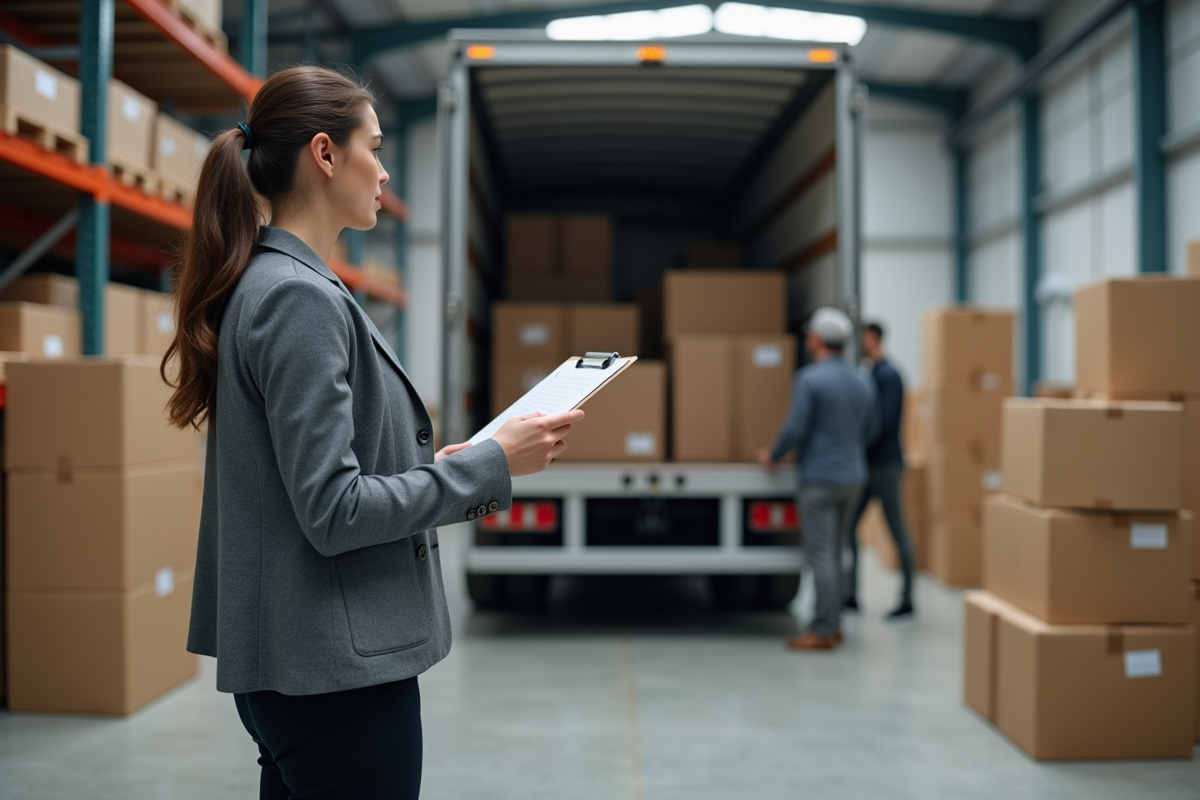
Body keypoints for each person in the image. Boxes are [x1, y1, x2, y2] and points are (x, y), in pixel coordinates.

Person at [163, 66, 583, 800]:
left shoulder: (277, 284)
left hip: (302, 666)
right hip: (336, 671)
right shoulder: (297, 298)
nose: (385, 171)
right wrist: (490, 465)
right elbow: (333, 510)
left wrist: (436, 461)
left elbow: (308, 474)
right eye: (376, 147)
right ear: (325, 155)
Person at [757, 307, 876, 651]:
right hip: (854, 476)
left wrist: (773, 455)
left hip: (820, 479)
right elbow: (874, 427)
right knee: (840, 552)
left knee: (822, 555)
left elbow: (796, 427)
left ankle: (823, 629)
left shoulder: (810, 379)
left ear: (819, 340)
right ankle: (835, 623)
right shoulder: (862, 379)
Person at [845, 322, 917, 620]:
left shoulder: (889, 375)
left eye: (861, 337)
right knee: (848, 528)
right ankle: (850, 594)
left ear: (872, 337)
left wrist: (854, 440)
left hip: (885, 466)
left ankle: (908, 598)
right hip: (870, 464)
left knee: (897, 530)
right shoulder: (872, 373)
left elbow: (883, 424)